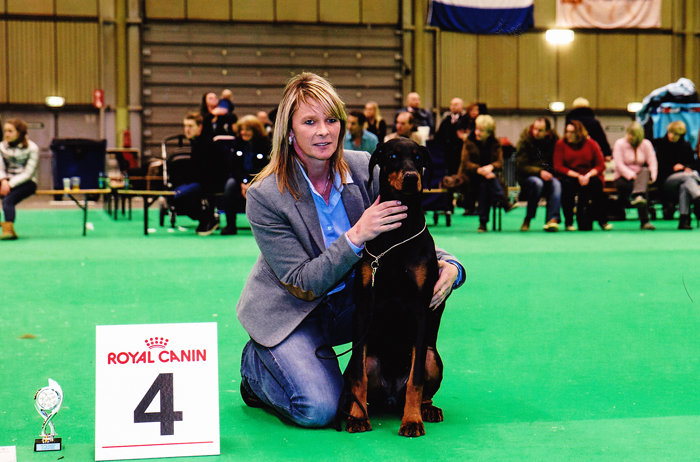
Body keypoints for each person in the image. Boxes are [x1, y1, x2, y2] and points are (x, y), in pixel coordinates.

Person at [236, 72, 465, 428]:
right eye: (309, 122)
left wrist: (450, 264)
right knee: (319, 410)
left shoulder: (362, 168)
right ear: (289, 131)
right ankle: (256, 370)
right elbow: (301, 282)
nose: (323, 132)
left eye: (331, 120)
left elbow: (407, 230)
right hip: (293, 312)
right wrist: (356, 235)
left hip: (349, 307)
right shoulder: (265, 195)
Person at [454, 114, 517, 232]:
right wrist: (480, 170)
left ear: (489, 133)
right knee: (488, 182)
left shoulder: (496, 143)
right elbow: (466, 163)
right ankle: (504, 201)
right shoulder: (469, 142)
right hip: (470, 178)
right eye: (477, 129)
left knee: (485, 186)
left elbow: (499, 163)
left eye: (481, 131)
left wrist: (490, 167)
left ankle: (483, 223)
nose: (477, 132)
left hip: (488, 178)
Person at [172, 112, 225, 235]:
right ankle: (205, 218)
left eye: (190, 126)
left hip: (209, 183)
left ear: (200, 127)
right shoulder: (196, 142)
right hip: (199, 181)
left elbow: (211, 171)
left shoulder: (208, 144)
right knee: (173, 195)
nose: (187, 129)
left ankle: (207, 218)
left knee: (180, 196)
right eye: (185, 126)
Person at [554, 120, 611, 231]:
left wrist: (588, 175)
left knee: (596, 186)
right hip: (570, 175)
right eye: (567, 132)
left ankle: (603, 221)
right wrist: (577, 176)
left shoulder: (591, 144)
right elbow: (558, 166)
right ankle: (569, 222)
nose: (568, 135)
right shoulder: (560, 144)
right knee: (567, 186)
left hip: (589, 175)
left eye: (572, 132)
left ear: (579, 133)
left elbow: (600, 165)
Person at [221, 115, 272, 235]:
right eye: (242, 130)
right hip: (240, 178)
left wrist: (251, 181)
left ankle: (265, 226)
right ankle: (230, 225)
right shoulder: (237, 143)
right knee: (229, 186)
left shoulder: (265, 143)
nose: (244, 132)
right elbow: (234, 166)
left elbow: (265, 166)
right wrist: (243, 182)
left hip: (260, 177)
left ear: (255, 130)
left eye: (248, 130)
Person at [515, 117, 561, 232]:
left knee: (557, 185)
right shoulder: (525, 140)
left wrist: (549, 172)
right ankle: (528, 218)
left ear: (547, 132)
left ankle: (553, 219)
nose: (536, 132)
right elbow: (521, 166)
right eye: (535, 129)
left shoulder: (555, 141)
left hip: (547, 175)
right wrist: (539, 172)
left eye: (540, 130)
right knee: (537, 183)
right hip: (527, 178)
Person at [652, 120, 700, 229]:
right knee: (688, 176)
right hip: (666, 180)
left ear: (681, 135)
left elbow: (693, 164)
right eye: (670, 132)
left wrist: (687, 167)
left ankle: (683, 220)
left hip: (684, 180)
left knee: (685, 186)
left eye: (675, 134)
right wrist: (673, 168)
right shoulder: (662, 144)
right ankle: (698, 196)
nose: (671, 135)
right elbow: (659, 167)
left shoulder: (686, 145)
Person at [612, 122, 658, 230]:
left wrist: (653, 176)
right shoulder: (619, 144)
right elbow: (618, 164)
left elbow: (652, 162)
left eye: (633, 134)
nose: (630, 136)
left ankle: (638, 196)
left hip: (641, 176)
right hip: (623, 177)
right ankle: (644, 220)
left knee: (645, 171)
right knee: (642, 188)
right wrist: (632, 175)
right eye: (629, 133)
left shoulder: (646, 144)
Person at [0, 118, 38, 240]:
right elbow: (0, 168)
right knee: (6, 198)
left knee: (7, 201)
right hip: (4, 181)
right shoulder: (1, 147)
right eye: (5, 131)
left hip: (27, 182)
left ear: (20, 133)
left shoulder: (32, 148)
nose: (7, 134)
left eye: (10, 131)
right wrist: (3, 181)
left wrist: (9, 184)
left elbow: (28, 173)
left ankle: (8, 230)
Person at [435, 97, 468, 175]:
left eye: (456, 105)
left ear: (462, 106)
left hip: (460, 150)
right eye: (451, 105)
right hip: (448, 151)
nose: (453, 107)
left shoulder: (466, 120)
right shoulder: (446, 120)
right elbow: (439, 135)